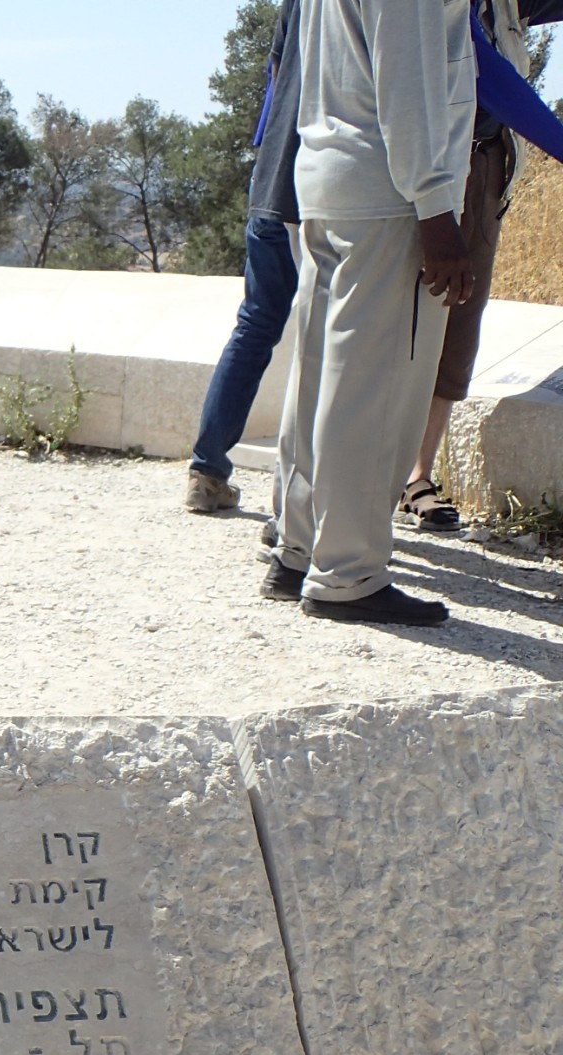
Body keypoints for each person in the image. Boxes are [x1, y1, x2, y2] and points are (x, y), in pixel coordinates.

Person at [265, 0, 475, 626]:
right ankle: (349, 574)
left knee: (321, 378)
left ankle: (298, 550)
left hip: (330, 180)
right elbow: (406, 84)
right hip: (390, 197)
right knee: (373, 390)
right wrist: (437, 210)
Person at [398, 0, 563, 532]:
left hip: (488, 166)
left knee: (460, 325)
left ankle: (417, 477)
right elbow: (488, 76)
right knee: (396, 327)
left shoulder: (514, 5)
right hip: (420, 175)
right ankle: (356, 482)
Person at [185, 0, 303, 515]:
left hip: (270, 179)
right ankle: (299, 500)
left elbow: (276, 74)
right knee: (331, 338)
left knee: (254, 326)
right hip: (322, 188)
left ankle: (207, 471)